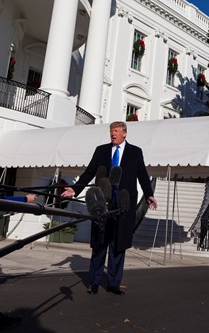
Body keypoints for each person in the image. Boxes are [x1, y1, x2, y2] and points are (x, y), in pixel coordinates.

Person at [62, 121, 157, 295]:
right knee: (100, 243)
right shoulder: (101, 150)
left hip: (123, 202)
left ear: (125, 133)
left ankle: (114, 283)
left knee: (118, 244)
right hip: (102, 202)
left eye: (116, 131)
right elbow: (89, 171)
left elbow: (142, 175)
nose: (113, 134)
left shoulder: (135, 152)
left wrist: (149, 194)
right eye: (111, 131)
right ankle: (95, 282)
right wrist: (75, 189)